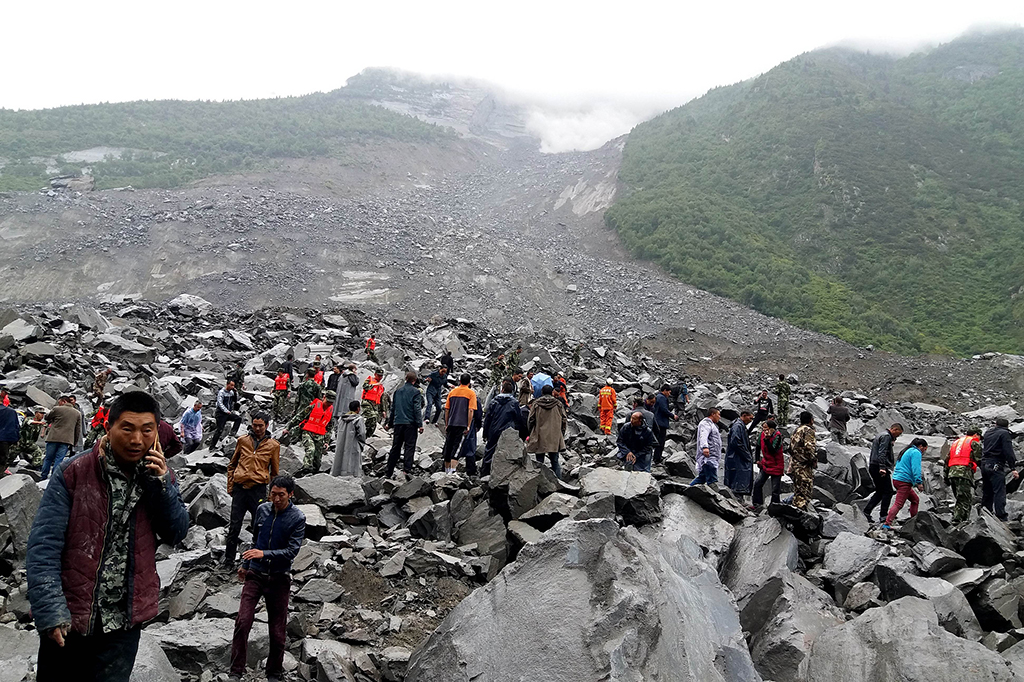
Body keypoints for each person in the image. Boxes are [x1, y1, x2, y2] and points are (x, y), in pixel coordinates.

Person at [26, 391, 188, 682]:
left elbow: (176, 532)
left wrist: (162, 485)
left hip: (123, 624)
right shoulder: (74, 472)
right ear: (108, 427)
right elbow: (43, 545)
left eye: (146, 430)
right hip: (69, 618)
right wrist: (50, 610)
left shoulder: (159, 475)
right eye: (127, 428)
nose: (137, 439)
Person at [230, 475, 305, 682]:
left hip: (279, 577)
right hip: (255, 574)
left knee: (277, 630)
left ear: (291, 494)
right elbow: (256, 539)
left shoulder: (297, 518)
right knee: (243, 622)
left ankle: (274, 672)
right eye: (273, 494)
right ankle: (236, 671)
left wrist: (264, 554)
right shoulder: (262, 510)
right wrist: (245, 564)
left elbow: (292, 551)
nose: (277, 499)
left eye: (281, 495)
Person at [225, 413, 280, 566]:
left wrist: (271, 496)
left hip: (258, 490)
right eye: (254, 425)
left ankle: (254, 561)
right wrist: (231, 486)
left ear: (267, 425)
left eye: (260, 425)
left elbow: (274, 473)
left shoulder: (273, 445)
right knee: (234, 525)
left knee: (259, 526)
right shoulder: (242, 441)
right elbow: (232, 465)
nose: (257, 428)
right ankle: (228, 560)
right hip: (240, 488)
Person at [480, 380, 527, 476]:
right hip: (508, 430)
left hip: (494, 429)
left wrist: (485, 433)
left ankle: (485, 473)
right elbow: (519, 419)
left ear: (502, 390)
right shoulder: (514, 403)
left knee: (490, 450)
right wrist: (521, 434)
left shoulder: (494, 402)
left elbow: (488, 419)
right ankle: (504, 474)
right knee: (506, 452)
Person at [385, 372, 424, 479]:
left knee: (396, 447)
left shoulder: (397, 392)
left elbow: (393, 409)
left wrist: (389, 423)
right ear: (414, 381)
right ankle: (407, 470)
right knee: (409, 447)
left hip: (398, 423)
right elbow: (417, 409)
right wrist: (420, 424)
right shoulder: (416, 392)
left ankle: (389, 471)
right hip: (410, 424)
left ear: (406, 379)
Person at [285, 390, 335, 474]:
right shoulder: (314, 406)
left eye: (331, 403)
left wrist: (326, 442)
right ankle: (306, 469)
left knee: (317, 459)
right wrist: (288, 427)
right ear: (324, 397)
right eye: (327, 401)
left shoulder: (330, 411)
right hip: (307, 432)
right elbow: (299, 416)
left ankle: (314, 473)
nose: (328, 404)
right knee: (310, 449)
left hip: (320, 435)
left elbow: (330, 428)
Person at [863, 423, 903, 523]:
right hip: (879, 467)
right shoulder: (886, 436)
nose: (897, 436)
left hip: (874, 465)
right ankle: (883, 515)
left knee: (880, 491)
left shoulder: (882, 434)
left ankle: (867, 512)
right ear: (894, 429)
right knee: (888, 491)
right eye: (898, 434)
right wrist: (882, 467)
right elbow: (882, 452)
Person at [884, 438, 928, 528]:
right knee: (899, 504)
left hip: (897, 479)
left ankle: (913, 521)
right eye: (925, 449)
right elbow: (916, 468)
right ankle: (887, 524)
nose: (924, 452)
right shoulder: (916, 452)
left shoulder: (907, 450)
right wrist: (919, 482)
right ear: (920, 446)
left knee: (915, 500)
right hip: (904, 481)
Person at [981, 417, 1018, 522]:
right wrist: (1013, 468)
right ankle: (1001, 517)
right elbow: (1008, 451)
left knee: (987, 490)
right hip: (995, 465)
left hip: (984, 464)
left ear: (996, 424)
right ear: (1007, 426)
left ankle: (985, 513)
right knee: (999, 491)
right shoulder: (1004, 434)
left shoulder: (988, 432)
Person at [527, 384, 567, 479]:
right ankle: (559, 483)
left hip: (539, 435)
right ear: (552, 392)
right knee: (555, 462)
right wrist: (561, 433)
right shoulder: (558, 404)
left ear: (542, 392)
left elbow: (530, 420)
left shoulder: (536, 404)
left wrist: (531, 432)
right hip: (554, 436)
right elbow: (564, 420)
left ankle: (539, 482)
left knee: (539, 462)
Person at [442, 374, 477, 475]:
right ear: (469, 382)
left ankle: (446, 470)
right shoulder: (471, 393)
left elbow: (447, 409)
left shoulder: (452, 392)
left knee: (449, 445)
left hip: (452, 423)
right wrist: (469, 425)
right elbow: (471, 410)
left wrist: (447, 423)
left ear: (460, 381)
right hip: (462, 424)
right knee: (457, 447)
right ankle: (452, 472)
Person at [946, 428, 982, 524]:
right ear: (975, 434)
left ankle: (957, 519)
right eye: (979, 436)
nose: (980, 439)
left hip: (952, 473)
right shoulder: (974, 443)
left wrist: (946, 477)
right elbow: (979, 459)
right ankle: (962, 521)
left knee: (959, 497)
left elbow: (947, 460)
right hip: (964, 473)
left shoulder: (956, 443)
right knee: (966, 499)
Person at [42, 397, 82, 479]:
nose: (58, 403)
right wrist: (75, 442)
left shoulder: (57, 409)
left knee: (48, 458)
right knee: (59, 459)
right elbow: (78, 429)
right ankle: (54, 477)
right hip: (66, 440)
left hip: (53, 438)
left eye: (59, 402)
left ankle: (43, 476)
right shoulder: (77, 413)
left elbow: (47, 417)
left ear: (64, 401)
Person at [789, 411, 817, 510]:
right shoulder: (808, 430)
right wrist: (813, 459)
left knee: (798, 490)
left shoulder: (796, 430)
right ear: (811, 420)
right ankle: (802, 513)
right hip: (804, 465)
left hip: (796, 463)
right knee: (805, 490)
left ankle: (795, 509)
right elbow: (809, 447)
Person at [724, 411, 755, 500]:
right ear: (744, 416)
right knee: (738, 478)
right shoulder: (738, 426)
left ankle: (739, 499)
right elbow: (736, 442)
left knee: (737, 478)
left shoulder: (740, 425)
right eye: (750, 418)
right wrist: (746, 455)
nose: (751, 420)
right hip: (737, 458)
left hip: (737, 457)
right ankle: (737, 500)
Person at [753, 420, 784, 507]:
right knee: (757, 483)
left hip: (776, 465)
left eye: (767, 429)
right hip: (765, 463)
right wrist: (757, 460)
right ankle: (757, 504)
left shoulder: (778, 437)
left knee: (775, 489)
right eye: (764, 429)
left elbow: (773, 451)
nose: (765, 431)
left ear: (772, 429)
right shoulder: (761, 435)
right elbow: (758, 447)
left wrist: (767, 439)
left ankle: (774, 506)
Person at [332, 401, 366, 477]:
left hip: (341, 442)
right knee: (353, 459)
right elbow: (362, 433)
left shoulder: (341, 418)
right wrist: (362, 443)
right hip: (354, 443)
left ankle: (337, 473)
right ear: (358, 408)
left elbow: (336, 430)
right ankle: (353, 475)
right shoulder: (358, 419)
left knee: (340, 456)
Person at [691, 407, 723, 485]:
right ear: (713, 414)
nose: (720, 417)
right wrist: (705, 447)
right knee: (712, 480)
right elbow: (703, 435)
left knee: (702, 478)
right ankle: (716, 495)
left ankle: (687, 490)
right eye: (718, 414)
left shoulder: (712, 424)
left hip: (712, 456)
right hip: (709, 457)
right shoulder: (706, 423)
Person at [208, 380, 243, 449]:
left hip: (228, 413)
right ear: (227, 385)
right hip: (220, 413)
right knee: (219, 430)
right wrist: (226, 411)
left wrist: (235, 393)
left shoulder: (231, 392)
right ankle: (212, 446)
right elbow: (220, 403)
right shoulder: (221, 392)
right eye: (231, 385)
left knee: (238, 418)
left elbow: (235, 401)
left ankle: (233, 432)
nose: (233, 387)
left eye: (233, 385)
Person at [652, 384, 678, 464]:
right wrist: (673, 415)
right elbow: (664, 410)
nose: (669, 394)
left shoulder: (658, 397)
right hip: (661, 422)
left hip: (657, 421)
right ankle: (657, 458)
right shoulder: (662, 398)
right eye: (669, 392)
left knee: (657, 440)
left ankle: (655, 457)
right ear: (665, 391)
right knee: (660, 441)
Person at [361, 369, 386, 437]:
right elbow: (364, 386)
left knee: (374, 421)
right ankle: (362, 432)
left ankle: (368, 436)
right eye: (378, 375)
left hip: (375, 405)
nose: (380, 377)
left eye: (381, 376)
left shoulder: (381, 387)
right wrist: (374, 385)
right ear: (375, 374)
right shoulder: (370, 379)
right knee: (372, 416)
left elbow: (381, 398)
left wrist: (383, 410)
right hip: (367, 402)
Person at [0, 401, 19, 476]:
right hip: (4, 440)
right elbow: (15, 427)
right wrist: (15, 440)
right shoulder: (11, 412)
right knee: (2, 460)